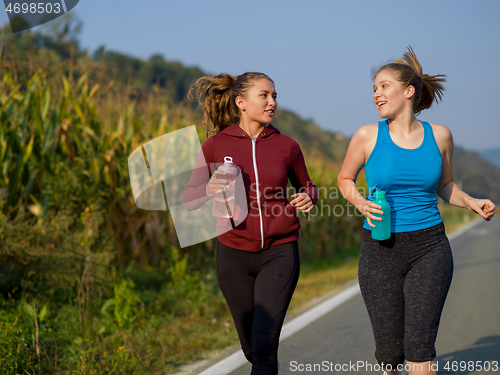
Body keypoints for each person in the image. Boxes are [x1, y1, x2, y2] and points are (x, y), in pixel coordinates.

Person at [337, 46, 495, 375]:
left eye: (383, 86)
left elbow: (446, 186)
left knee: (420, 350)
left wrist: (470, 201)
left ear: (408, 91)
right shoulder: (367, 136)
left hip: (429, 247)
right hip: (380, 249)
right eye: (374, 89)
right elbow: (344, 178)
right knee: (390, 353)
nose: (376, 94)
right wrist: (359, 201)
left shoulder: (440, 136)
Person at [183, 72, 318, 375]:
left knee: (265, 344)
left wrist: (309, 197)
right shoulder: (216, 145)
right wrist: (208, 188)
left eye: (275, 96)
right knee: (251, 348)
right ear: (241, 102)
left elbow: (308, 185)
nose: (272, 102)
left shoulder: (287, 145)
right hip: (233, 255)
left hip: (280, 251)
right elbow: (189, 198)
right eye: (265, 95)